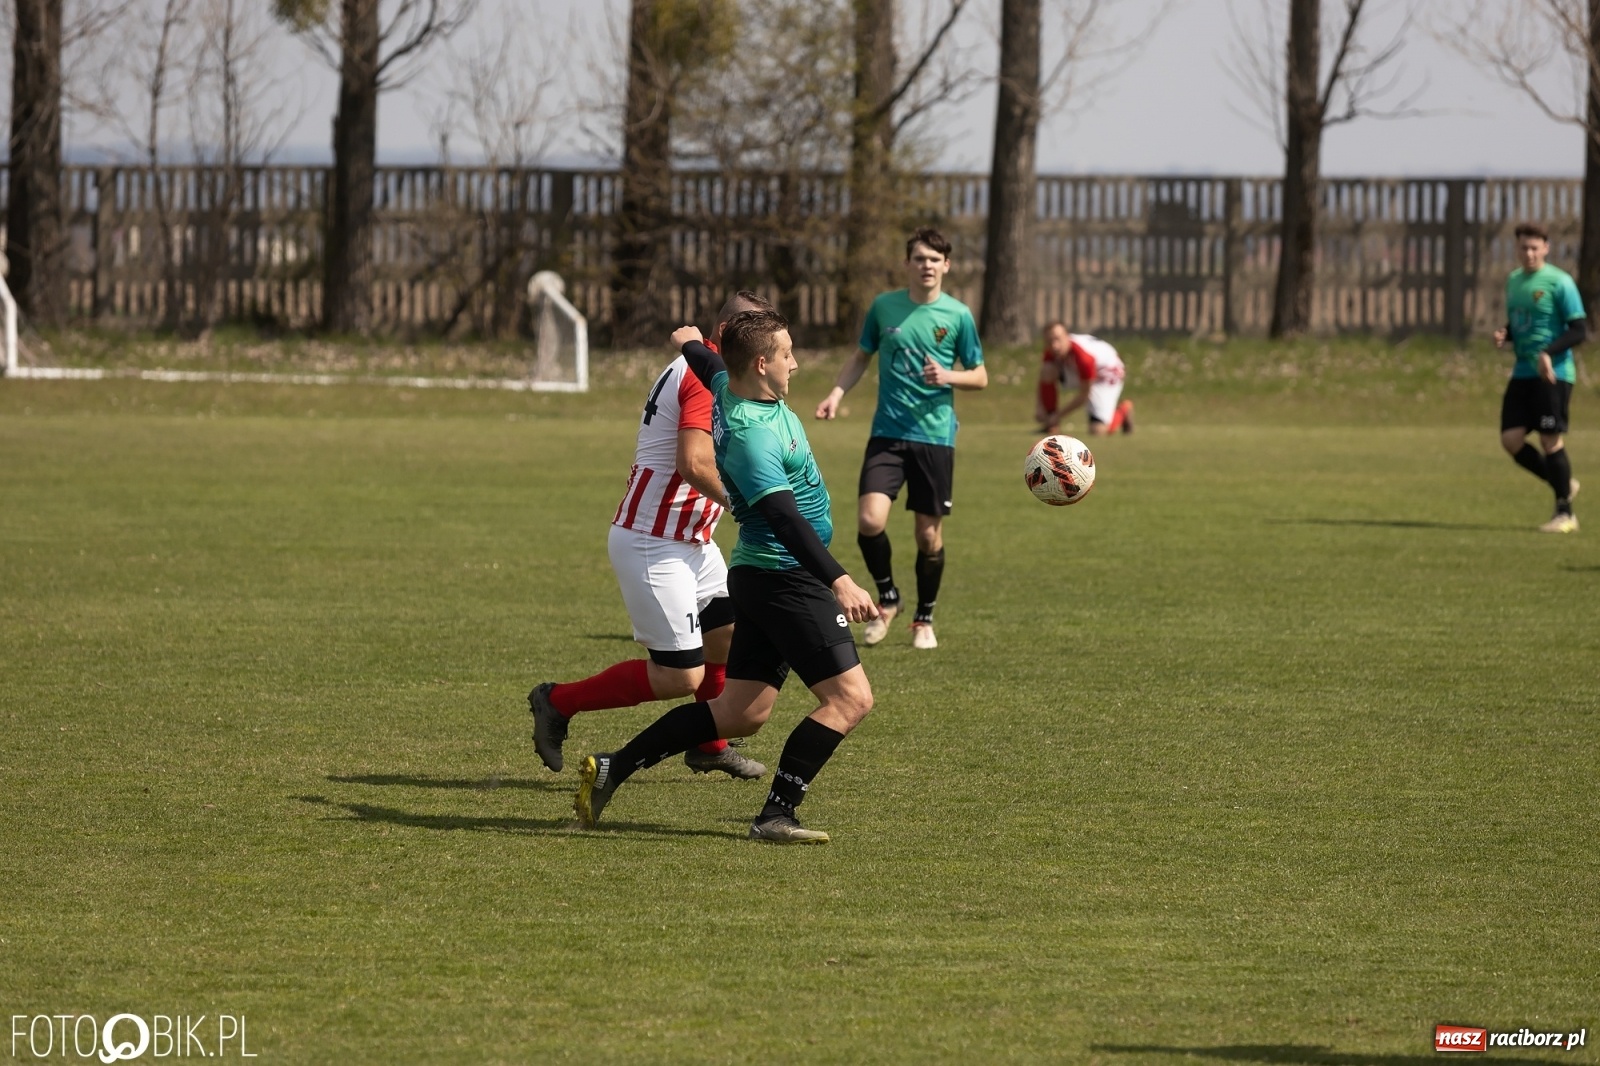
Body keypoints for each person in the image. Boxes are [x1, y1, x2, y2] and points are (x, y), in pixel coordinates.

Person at [573, 309, 879, 844]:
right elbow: (784, 519)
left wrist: (689, 340)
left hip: (757, 578)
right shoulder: (752, 435)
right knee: (850, 699)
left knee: (741, 712)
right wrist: (839, 579)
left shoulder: (731, 386)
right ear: (762, 364)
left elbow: (709, 361)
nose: (796, 363)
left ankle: (612, 766)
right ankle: (776, 814)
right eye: (788, 354)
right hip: (788, 578)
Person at [527, 293, 775, 780]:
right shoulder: (701, 377)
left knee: (726, 639)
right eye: (754, 329)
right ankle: (556, 701)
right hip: (653, 541)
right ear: (725, 332)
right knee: (680, 675)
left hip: (693, 541)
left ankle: (709, 744)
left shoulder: (711, 370)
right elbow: (694, 462)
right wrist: (748, 504)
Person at [814, 227, 987, 651]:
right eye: (919, 258)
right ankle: (888, 597)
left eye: (935, 259)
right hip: (887, 434)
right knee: (870, 522)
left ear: (946, 265)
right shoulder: (884, 307)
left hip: (934, 438)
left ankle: (923, 618)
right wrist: (836, 393)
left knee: (928, 536)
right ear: (907, 263)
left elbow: (981, 376)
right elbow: (861, 357)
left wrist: (948, 376)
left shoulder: (958, 315)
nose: (927, 265)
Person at [1495, 222, 1586, 534]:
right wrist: (1505, 333)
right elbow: (1521, 321)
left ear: (1546, 248)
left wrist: (1548, 352)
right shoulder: (1514, 281)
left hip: (1554, 373)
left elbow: (1578, 329)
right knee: (1511, 440)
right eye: (1524, 247)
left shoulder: (1560, 282)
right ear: (1517, 249)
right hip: (1523, 371)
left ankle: (1566, 513)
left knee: (1550, 440)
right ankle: (1562, 482)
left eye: (1535, 247)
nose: (1529, 253)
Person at [1035, 322, 1134, 436]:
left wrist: (1058, 415)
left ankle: (1124, 410)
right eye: (1049, 341)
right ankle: (1051, 425)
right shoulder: (1052, 352)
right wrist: (1040, 407)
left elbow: (1084, 396)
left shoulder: (1084, 358)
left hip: (1107, 375)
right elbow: (1043, 377)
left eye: (1058, 339)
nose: (1054, 345)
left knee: (1098, 430)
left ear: (1067, 336)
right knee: (1048, 370)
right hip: (1081, 372)